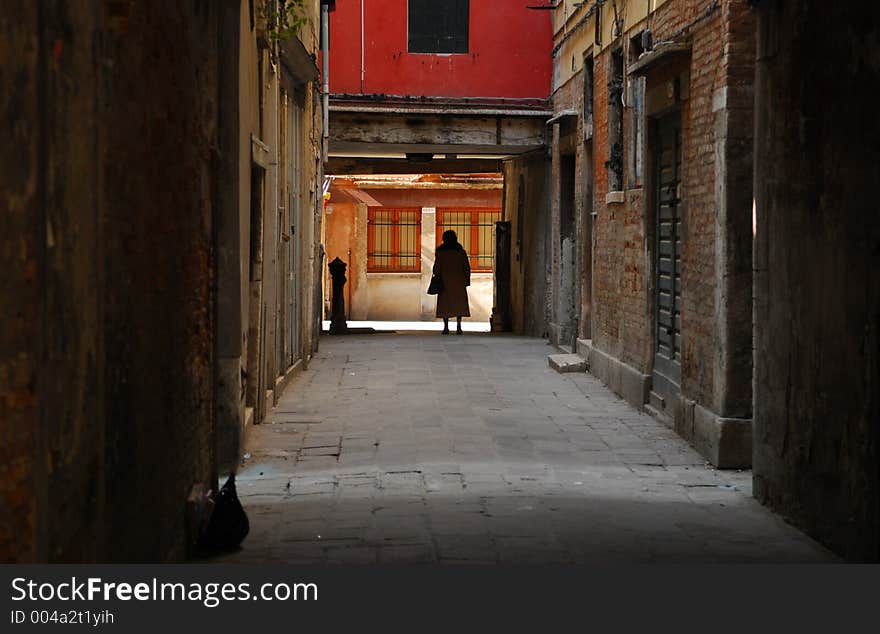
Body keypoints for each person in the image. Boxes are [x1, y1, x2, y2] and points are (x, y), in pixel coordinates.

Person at [432, 229, 471, 335]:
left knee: (445, 305)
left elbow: (436, 269)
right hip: (459, 281)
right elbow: (466, 267)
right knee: (459, 304)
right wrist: (467, 280)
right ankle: (459, 326)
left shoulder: (440, 252)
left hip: (444, 282)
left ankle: (446, 327)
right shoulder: (461, 252)